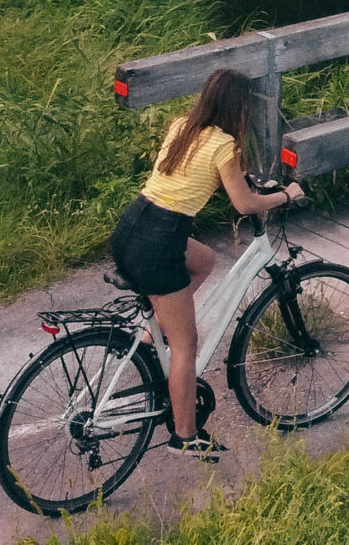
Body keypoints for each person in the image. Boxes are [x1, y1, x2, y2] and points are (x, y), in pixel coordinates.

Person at [109, 67, 300, 459]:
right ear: (239, 107)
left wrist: (241, 176)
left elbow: (194, 172)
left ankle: (152, 334)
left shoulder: (182, 126)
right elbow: (245, 205)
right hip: (160, 242)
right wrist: (286, 195)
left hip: (133, 226)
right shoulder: (224, 145)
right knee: (187, 344)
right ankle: (185, 437)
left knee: (205, 259)